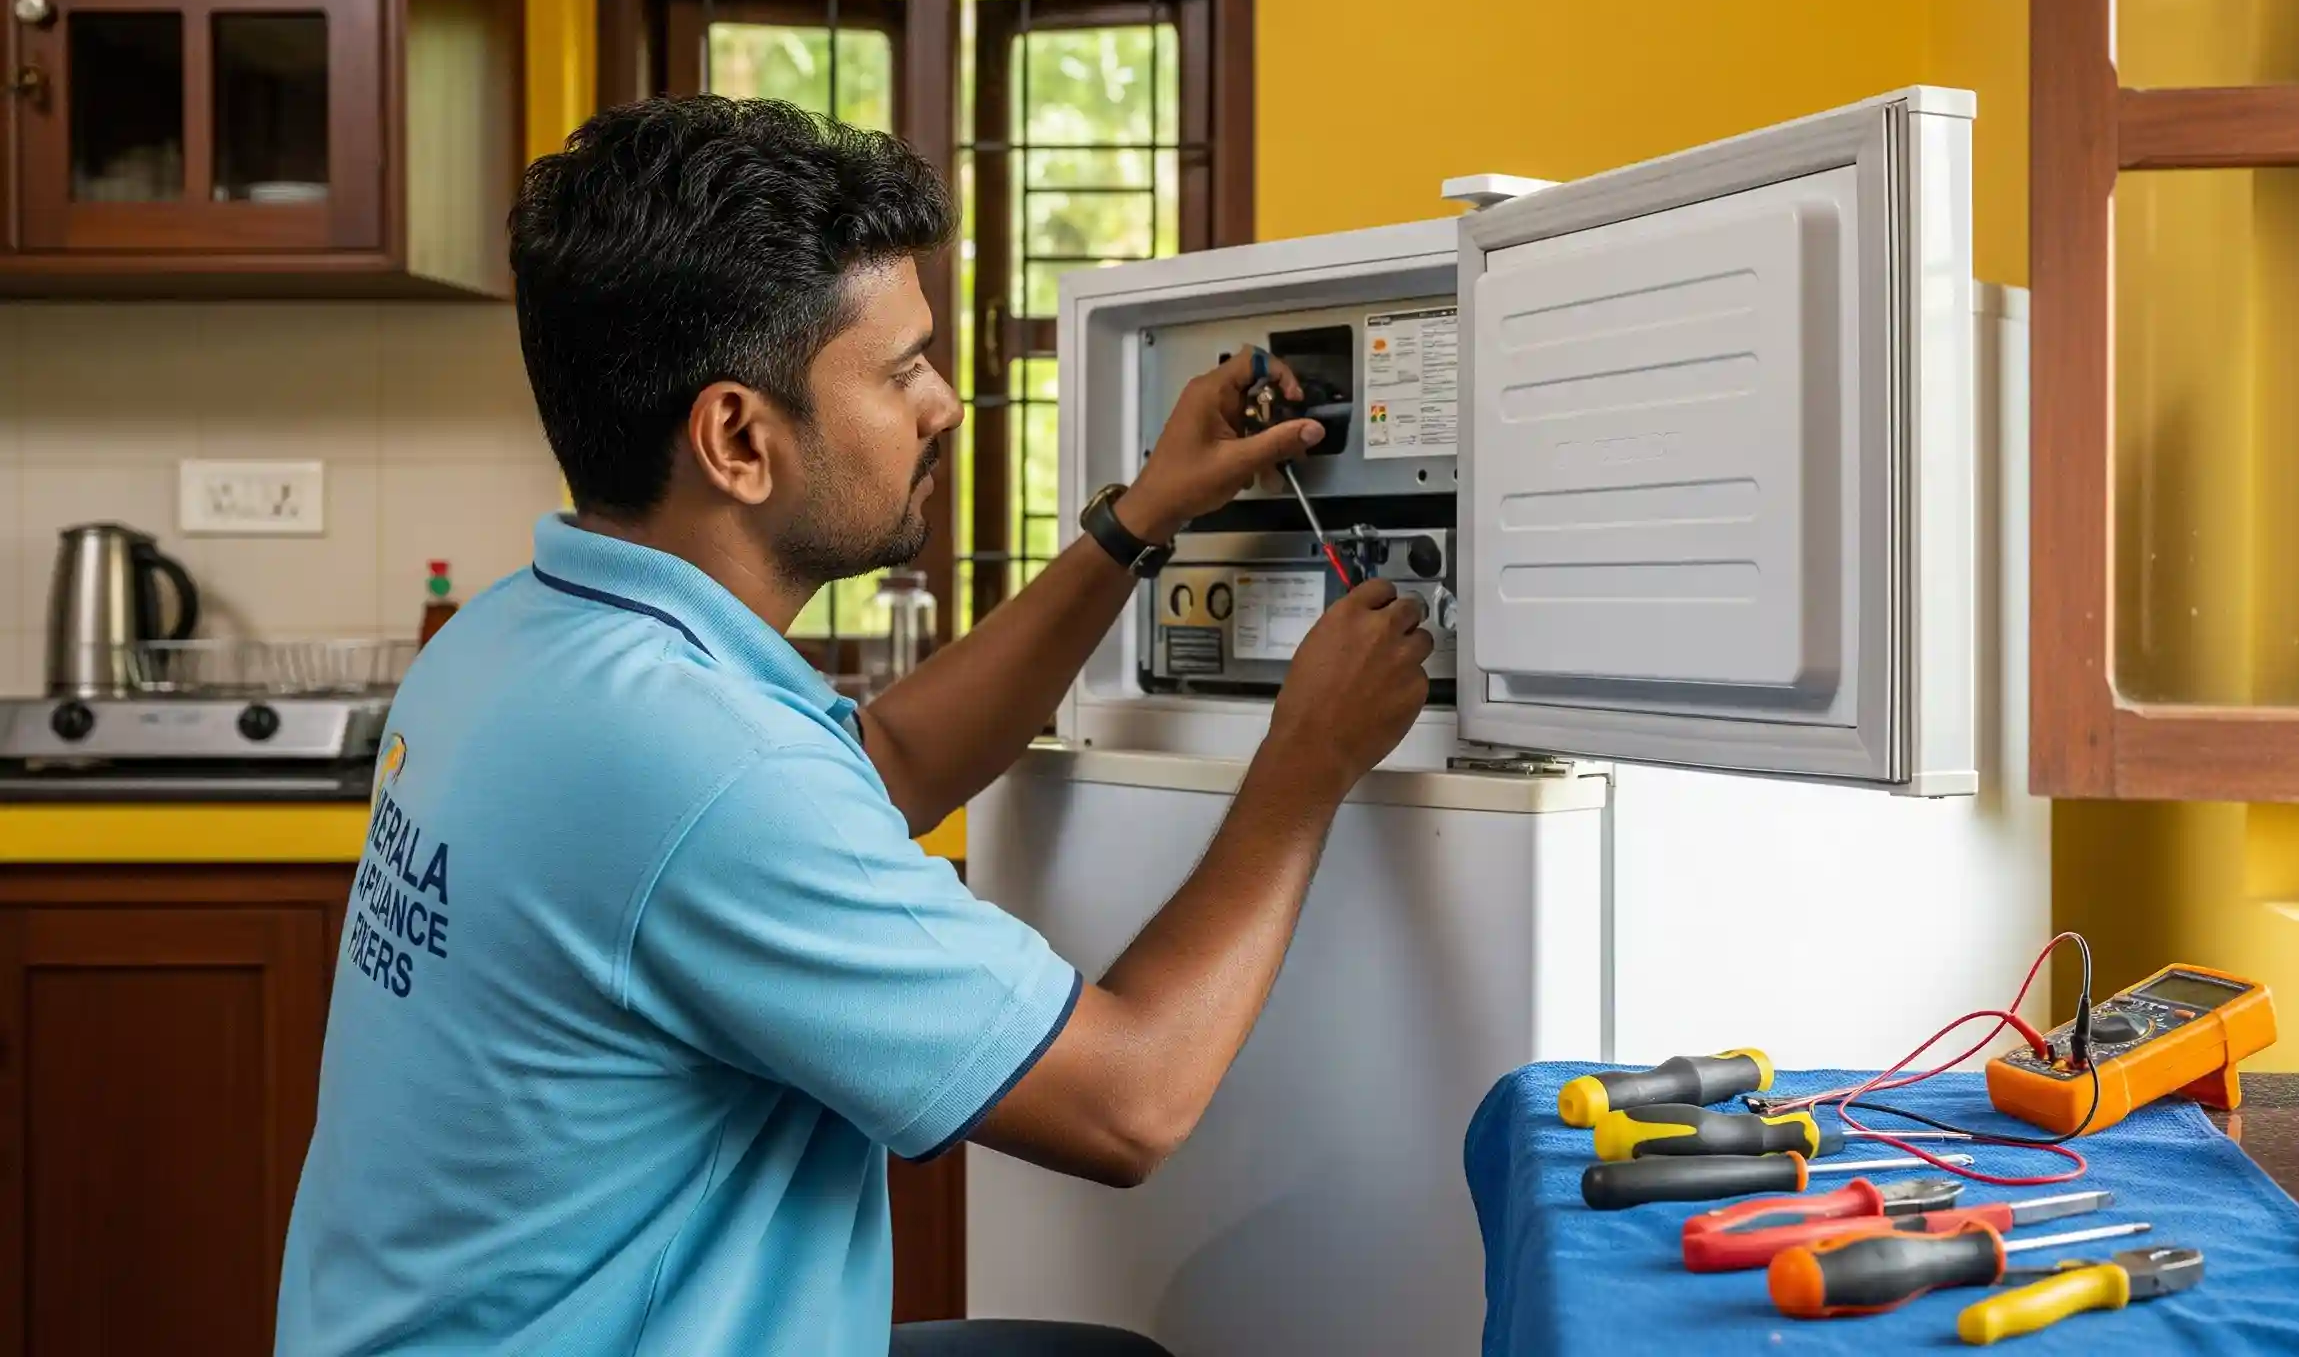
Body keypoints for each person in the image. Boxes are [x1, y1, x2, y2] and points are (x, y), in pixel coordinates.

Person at [273, 96, 1435, 1356]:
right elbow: (1129, 1100)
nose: (943, 406)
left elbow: (884, 764)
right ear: (737, 439)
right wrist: (1305, 762)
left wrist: (1132, 523)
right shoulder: (705, 765)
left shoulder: (516, 642)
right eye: (899, 371)